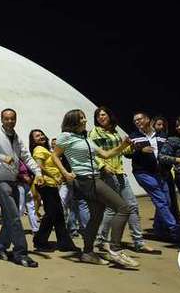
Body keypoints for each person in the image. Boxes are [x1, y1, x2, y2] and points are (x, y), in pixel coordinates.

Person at [51, 109, 139, 268]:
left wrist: (123, 146)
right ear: (73, 121)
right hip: (86, 180)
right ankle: (115, 250)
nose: (85, 120)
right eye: (81, 118)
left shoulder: (84, 137)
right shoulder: (66, 136)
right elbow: (55, 155)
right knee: (123, 208)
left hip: (94, 178)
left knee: (96, 216)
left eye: (84, 117)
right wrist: (65, 173)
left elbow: (105, 154)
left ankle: (87, 253)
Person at [0, 108, 43, 268]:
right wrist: (1, 157)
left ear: (16, 119)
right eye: (6, 118)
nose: (9, 121)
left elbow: (26, 157)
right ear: (1, 119)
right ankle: (21, 253)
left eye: (12, 118)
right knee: (15, 217)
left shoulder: (16, 138)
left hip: (13, 180)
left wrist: (38, 172)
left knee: (10, 218)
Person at [89, 107, 157, 254]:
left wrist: (130, 147)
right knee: (112, 208)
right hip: (107, 173)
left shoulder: (114, 132)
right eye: (98, 116)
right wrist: (102, 166)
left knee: (132, 205)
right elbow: (92, 152)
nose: (101, 117)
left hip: (119, 172)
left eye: (103, 114)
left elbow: (122, 151)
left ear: (109, 115)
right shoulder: (95, 132)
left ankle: (138, 242)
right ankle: (101, 240)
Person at [128, 111, 180, 240]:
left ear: (147, 119)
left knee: (167, 201)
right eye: (135, 121)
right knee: (160, 200)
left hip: (160, 173)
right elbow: (127, 154)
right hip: (143, 173)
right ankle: (175, 229)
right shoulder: (134, 136)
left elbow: (169, 152)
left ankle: (158, 229)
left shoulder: (162, 136)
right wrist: (140, 150)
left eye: (139, 119)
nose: (137, 122)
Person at [29, 130, 78, 252]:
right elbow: (39, 167)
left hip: (51, 185)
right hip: (45, 184)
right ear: (33, 140)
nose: (41, 137)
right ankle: (40, 241)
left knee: (58, 214)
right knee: (52, 214)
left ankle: (64, 243)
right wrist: (54, 176)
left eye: (41, 134)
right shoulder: (38, 149)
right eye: (37, 136)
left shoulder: (46, 150)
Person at [152, 115, 180, 223]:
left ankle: (175, 216)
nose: (161, 127)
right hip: (156, 172)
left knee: (171, 196)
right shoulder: (150, 137)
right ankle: (163, 222)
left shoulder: (166, 137)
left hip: (166, 171)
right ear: (153, 124)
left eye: (163, 125)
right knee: (162, 198)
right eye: (158, 124)